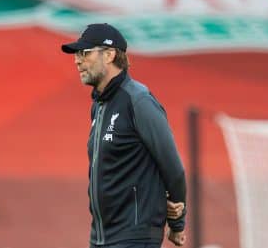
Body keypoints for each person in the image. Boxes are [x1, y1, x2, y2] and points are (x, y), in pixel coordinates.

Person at [61, 23, 187, 247]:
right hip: (101, 237)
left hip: (134, 236)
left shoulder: (138, 100)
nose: (77, 60)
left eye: (85, 53)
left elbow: (173, 168)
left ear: (109, 55)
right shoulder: (99, 104)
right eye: (76, 54)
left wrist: (177, 222)